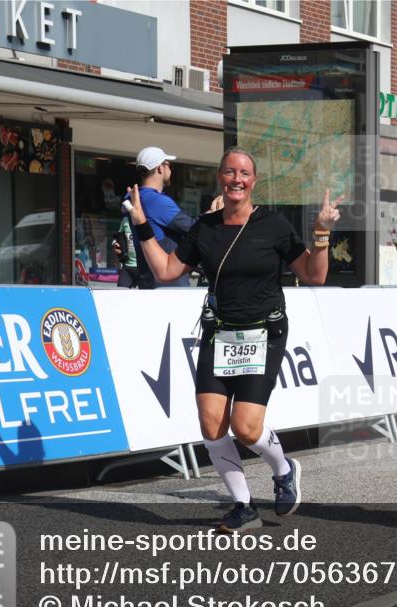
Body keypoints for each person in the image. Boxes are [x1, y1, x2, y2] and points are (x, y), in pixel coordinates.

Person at [127, 146, 343, 532]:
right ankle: (243, 505)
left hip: (264, 333)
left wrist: (322, 232)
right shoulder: (205, 228)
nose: (236, 180)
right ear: (221, 180)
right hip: (218, 334)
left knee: (245, 427)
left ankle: (284, 468)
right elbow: (165, 270)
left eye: (244, 173)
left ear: (254, 181)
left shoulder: (273, 225)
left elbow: (314, 275)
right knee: (211, 425)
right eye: (229, 173)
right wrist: (142, 225)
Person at [124, 147, 195, 289]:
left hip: (147, 279)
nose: (170, 169)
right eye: (168, 164)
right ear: (160, 169)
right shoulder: (156, 201)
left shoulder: (133, 197)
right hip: (169, 283)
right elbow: (194, 228)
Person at [112, 216, 138, 288]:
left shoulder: (147, 218)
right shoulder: (125, 219)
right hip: (127, 266)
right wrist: (115, 244)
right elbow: (118, 237)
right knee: (121, 292)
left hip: (143, 268)